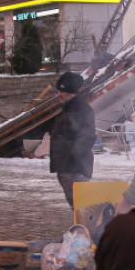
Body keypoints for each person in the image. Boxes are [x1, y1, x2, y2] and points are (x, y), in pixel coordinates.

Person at [50, 71, 95, 208]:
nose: (58, 94)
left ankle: (90, 229)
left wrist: (72, 157)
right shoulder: (69, 109)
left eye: (61, 91)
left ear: (70, 92)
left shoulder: (80, 110)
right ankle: (85, 229)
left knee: (82, 209)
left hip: (74, 169)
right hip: (67, 167)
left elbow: (86, 137)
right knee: (78, 208)